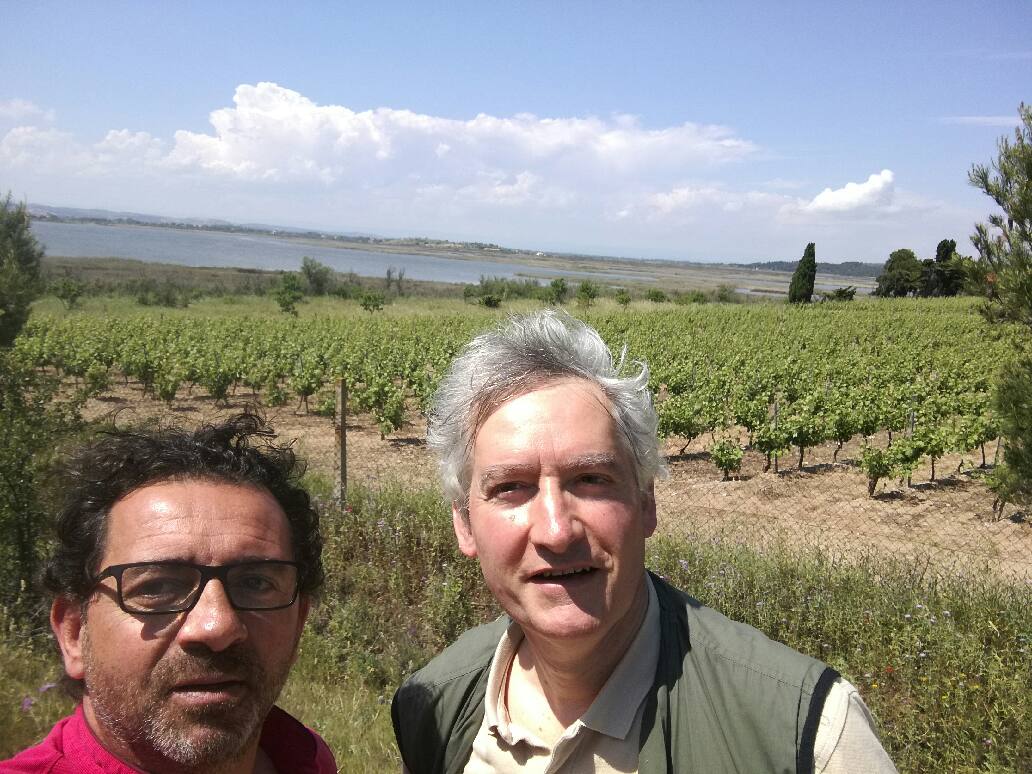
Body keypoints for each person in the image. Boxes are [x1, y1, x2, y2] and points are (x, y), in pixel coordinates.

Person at [393, 310, 896, 774]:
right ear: (464, 524)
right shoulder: (433, 708)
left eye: (591, 479)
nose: (555, 529)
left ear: (646, 502)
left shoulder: (810, 737)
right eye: (510, 488)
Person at [2, 414, 336, 774]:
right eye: (156, 586)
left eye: (255, 583)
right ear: (73, 633)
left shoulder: (307, 757)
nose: (217, 626)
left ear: (299, 623)